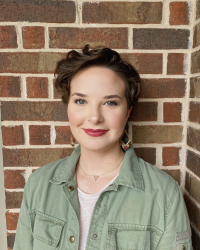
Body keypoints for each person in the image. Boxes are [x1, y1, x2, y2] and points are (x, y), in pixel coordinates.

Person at [13, 45, 192, 250]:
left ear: (128, 112)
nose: (95, 117)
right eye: (81, 101)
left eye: (110, 103)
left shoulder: (164, 195)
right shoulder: (39, 185)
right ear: (68, 107)